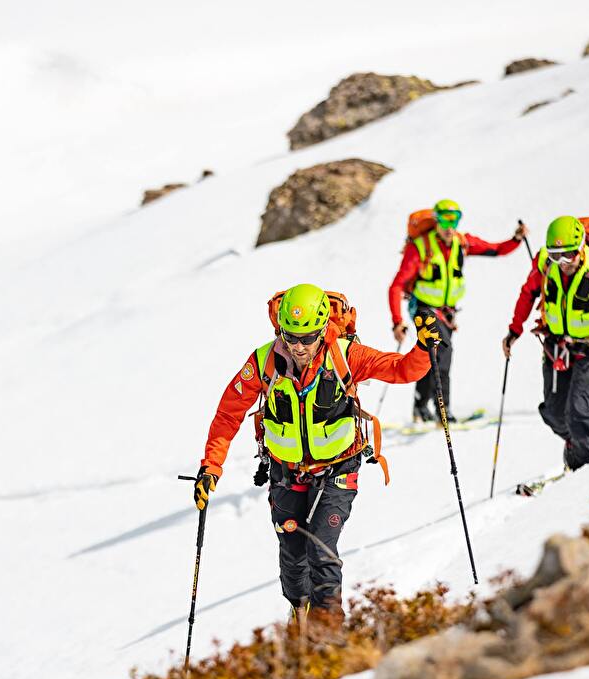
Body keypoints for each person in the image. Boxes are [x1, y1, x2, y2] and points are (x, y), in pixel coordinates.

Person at [195, 283, 437, 634]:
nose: (298, 346)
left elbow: (401, 370)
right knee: (293, 556)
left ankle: (330, 636)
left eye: (308, 337)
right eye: (290, 336)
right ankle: (299, 611)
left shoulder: (345, 355)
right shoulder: (264, 362)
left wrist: (423, 348)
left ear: (323, 328)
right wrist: (211, 467)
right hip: (285, 473)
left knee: (321, 550)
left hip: (338, 470)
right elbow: (228, 414)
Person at [502, 216, 589, 471]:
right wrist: (515, 330)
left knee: (578, 409)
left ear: (580, 247)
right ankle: (575, 447)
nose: (562, 262)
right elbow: (528, 293)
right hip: (556, 347)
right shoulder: (546, 264)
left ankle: (587, 469)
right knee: (554, 413)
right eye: (556, 255)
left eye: (568, 254)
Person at [387, 199, 525, 421]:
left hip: (447, 313)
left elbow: (496, 249)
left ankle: (420, 407)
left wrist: (516, 239)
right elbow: (396, 285)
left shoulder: (462, 243)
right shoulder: (421, 247)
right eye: (444, 220)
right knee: (443, 352)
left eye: (455, 220)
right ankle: (444, 411)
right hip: (424, 308)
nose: (449, 227)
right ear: (436, 220)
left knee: (429, 356)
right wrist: (397, 321)